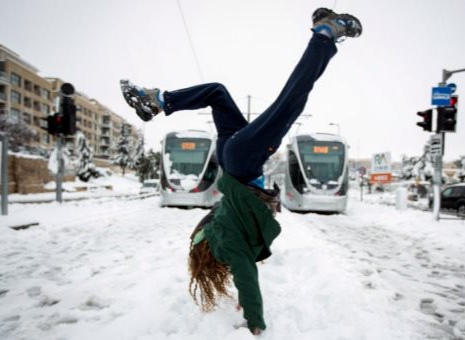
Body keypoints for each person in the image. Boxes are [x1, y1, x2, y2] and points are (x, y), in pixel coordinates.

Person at [120, 8, 361, 335]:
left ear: (213, 260)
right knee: (217, 93)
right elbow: (220, 230)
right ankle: (159, 100)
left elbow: (248, 277)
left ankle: (326, 32)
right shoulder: (217, 227)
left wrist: (255, 320)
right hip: (230, 153)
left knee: (292, 100)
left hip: (243, 162)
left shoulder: (229, 243)